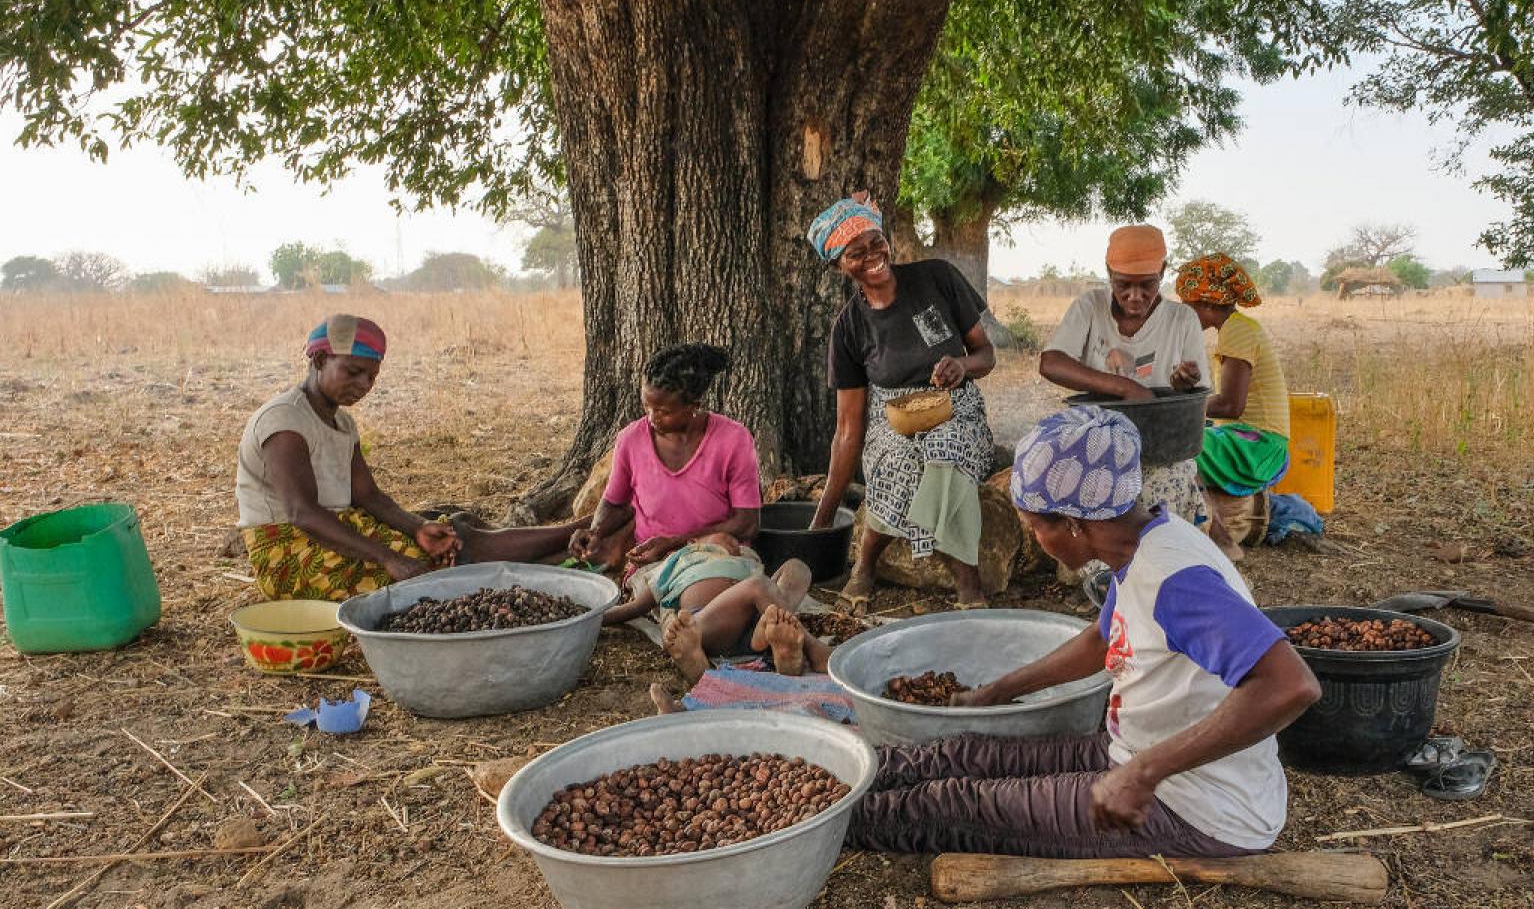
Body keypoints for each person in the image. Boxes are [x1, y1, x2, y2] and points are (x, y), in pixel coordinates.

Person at [846, 406, 1322, 858]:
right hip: (1134, 754)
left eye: (1035, 528)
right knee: (958, 757)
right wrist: (996, 691)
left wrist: (1142, 773)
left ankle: (821, 824)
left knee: (951, 805)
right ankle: (844, 773)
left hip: (1199, 806)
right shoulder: (1145, 539)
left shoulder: (1176, 581)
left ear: (1074, 523)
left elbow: (1290, 685)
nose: (1035, 539)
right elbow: (1101, 640)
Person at [236, 314, 584, 601]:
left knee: (452, 543)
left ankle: (578, 537)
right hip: (291, 554)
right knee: (434, 579)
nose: (363, 384)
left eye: (371, 377)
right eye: (353, 372)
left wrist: (418, 528)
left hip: (338, 531)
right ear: (320, 360)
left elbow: (368, 496)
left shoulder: (341, 421)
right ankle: (573, 549)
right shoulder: (285, 421)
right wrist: (389, 557)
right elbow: (302, 513)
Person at [807, 193, 997, 613]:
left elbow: (987, 356)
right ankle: (866, 565)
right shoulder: (849, 328)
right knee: (898, 462)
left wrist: (963, 367)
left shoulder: (937, 278)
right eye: (856, 253)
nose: (872, 256)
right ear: (840, 265)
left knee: (944, 449)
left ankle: (966, 579)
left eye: (877, 243)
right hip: (891, 421)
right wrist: (821, 522)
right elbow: (848, 428)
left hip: (957, 407)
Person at [572, 345, 820, 667]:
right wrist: (595, 532)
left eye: (663, 411)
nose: (651, 418)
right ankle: (769, 639)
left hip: (726, 550)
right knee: (735, 594)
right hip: (658, 563)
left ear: (694, 406)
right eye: (647, 406)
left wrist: (683, 539)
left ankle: (759, 635)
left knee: (789, 572)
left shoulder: (733, 439)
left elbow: (747, 523)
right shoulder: (631, 440)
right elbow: (615, 503)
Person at [1038, 224, 1209, 525]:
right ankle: (1096, 569)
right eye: (1123, 285)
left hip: (1159, 448)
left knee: (1163, 494)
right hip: (1096, 439)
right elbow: (1051, 363)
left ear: (1163, 272)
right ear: (1108, 273)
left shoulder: (1182, 319)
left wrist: (1183, 385)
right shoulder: (1090, 307)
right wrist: (1124, 387)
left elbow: (1196, 400)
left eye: (1147, 285)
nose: (1134, 296)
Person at [1175, 253, 1292, 559]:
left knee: (1177, 443)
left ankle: (1220, 539)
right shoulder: (1236, 327)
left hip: (1261, 446)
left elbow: (1230, 405)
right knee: (1185, 434)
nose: (1185, 316)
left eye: (1188, 307)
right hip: (1250, 438)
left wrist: (1181, 410)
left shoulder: (1237, 331)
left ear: (1209, 304)